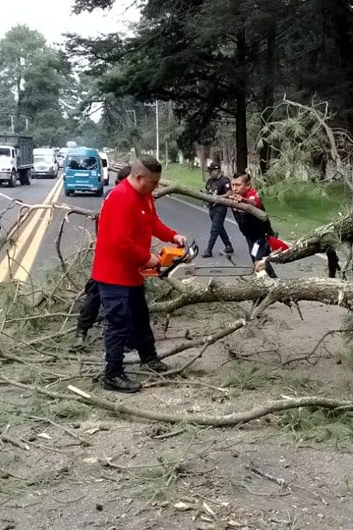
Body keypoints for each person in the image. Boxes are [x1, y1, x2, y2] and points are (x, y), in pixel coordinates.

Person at [92, 157, 187, 392]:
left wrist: (172, 236)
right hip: (114, 274)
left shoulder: (144, 196)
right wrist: (148, 259)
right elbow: (119, 241)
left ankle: (149, 357)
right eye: (152, 182)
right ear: (138, 177)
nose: (155, 186)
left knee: (140, 318)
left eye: (157, 182)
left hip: (132, 272)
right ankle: (112, 374)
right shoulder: (120, 198)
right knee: (118, 324)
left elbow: (152, 222)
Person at [75, 165, 133, 342]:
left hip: (112, 253)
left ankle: (83, 331)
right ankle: (83, 332)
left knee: (99, 293)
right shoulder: (118, 197)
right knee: (101, 293)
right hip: (113, 256)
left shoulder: (113, 195)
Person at [229, 172, 278, 278]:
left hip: (261, 237)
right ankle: (274, 280)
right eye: (233, 185)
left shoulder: (252, 195)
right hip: (250, 237)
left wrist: (244, 200)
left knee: (258, 262)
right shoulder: (234, 196)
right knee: (257, 259)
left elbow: (255, 203)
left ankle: (264, 285)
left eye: (238, 185)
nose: (234, 188)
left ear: (248, 185)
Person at [203, 163, 234, 258]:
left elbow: (229, 193)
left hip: (220, 208)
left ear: (217, 171)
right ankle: (228, 246)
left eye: (211, 171)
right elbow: (207, 191)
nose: (209, 173)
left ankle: (209, 250)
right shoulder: (210, 181)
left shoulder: (224, 181)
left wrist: (218, 197)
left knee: (214, 229)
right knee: (219, 228)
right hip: (211, 208)